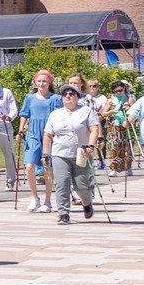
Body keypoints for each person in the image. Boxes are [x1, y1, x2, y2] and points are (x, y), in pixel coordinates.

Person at [42, 81, 100, 222]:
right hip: (59, 154)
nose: (68, 96)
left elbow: (94, 129)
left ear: (77, 96)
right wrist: (45, 154)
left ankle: (87, 203)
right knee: (62, 184)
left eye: (71, 93)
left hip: (80, 154)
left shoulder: (85, 111)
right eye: (65, 94)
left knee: (81, 186)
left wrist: (91, 146)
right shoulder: (55, 114)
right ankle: (63, 213)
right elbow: (48, 135)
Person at [20, 69, 64, 212]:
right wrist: (21, 130)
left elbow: (59, 116)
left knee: (47, 168)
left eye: (44, 81)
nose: (41, 83)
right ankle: (34, 198)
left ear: (49, 82)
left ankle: (47, 201)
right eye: (39, 81)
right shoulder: (30, 98)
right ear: (35, 82)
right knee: (29, 166)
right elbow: (25, 114)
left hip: (49, 135)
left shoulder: (55, 98)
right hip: (33, 133)